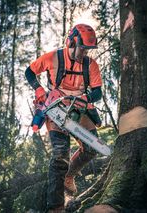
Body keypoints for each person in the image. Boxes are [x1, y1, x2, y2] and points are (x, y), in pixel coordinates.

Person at [25, 24, 103, 212]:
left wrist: (85, 99)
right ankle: (56, 207)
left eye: (88, 49)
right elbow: (30, 71)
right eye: (83, 47)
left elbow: (97, 92)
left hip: (78, 108)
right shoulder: (54, 57)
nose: (84, 52)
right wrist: (39, 88)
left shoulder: (90, 65)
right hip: (56, 109)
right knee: (60, 154)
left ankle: (70, 176)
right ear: (72, 41)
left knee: (92, 147)